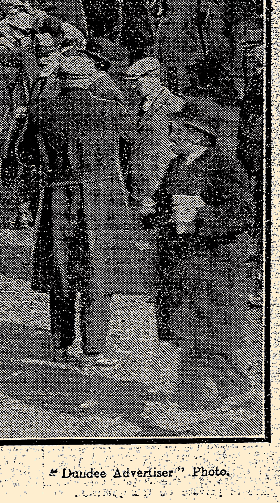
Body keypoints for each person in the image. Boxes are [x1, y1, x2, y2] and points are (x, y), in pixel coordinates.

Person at [148, 100, 253, 408]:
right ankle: (196, 390)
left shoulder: (223, 165)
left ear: (201, 136)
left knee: (217, 327)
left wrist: (200, 219)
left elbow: (242, 212)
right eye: (175, 129)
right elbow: (163, 205)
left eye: (181, 130)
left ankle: (226, 390)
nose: (173, 135)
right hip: (183, 261)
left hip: (216, 261)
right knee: (187, 327)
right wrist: (157, 217)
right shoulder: (178, 164)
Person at [32, 55, 135, 366]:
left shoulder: (44, 111)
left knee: (61, 270)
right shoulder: (109, 108)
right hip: (100, 193)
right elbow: (131, 142)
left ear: (62, 80)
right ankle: (96, 346)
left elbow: (25, 152)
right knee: (97, 270)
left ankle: (60, 344)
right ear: (90, 80)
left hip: (59, 192)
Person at [123, 57, 185, 216]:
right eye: (130, 82)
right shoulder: (140, 104)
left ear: (152, 78)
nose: (132, 86)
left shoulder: (173, 104)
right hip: (140, 173)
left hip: (159, 173)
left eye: (136, 81)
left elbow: (178, 141)